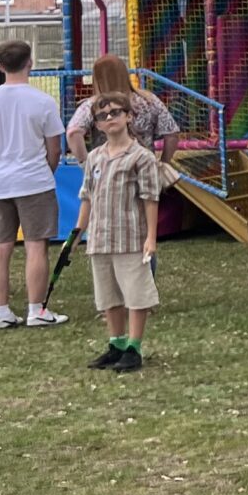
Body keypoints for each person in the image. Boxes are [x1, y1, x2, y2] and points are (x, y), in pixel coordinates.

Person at [0, 40, 67, 330]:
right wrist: (46, 171)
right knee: (36, 245)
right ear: (31, 62)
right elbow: (54, 149)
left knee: (0, 246)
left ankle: (0, 311)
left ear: (0, 66)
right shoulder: (42, 102)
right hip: (34, 179)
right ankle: (36, 309)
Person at [78, 95, 164, 373]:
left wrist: (151, 236)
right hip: (100, 237)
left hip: (130, 237)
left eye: (116, 113)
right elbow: (87, 196)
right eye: (102, 116)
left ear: (128, 116)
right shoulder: (94, 157)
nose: (110, 119)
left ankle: (134, 347)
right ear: (98, 125)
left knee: (136, 293)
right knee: (108, 295)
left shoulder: (141, 157)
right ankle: (115, 343)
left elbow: (150, 198)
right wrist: (78, 230)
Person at [64, 54, 177, 159]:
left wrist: (86, 164)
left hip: (108, 171)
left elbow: (73, 133)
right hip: (145, 169)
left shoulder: (93, 105)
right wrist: (163, 164)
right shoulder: (148, 100)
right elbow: (171, 133)